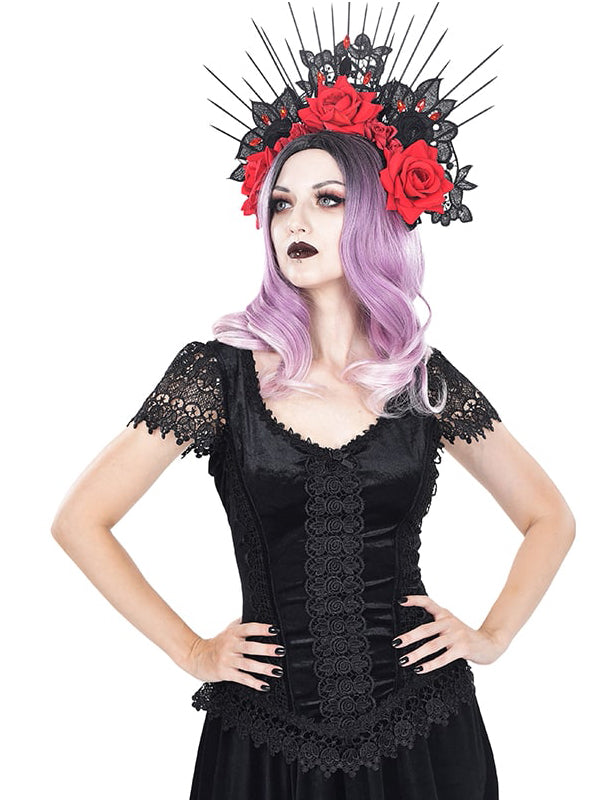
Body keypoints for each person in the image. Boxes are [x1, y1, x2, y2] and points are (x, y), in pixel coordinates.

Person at [51, 11, 576, 800]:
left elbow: (549, 517)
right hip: (266, 737)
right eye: (283, 203)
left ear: (373, 218)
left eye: (327, 200)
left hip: (424, 731)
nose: (295, 222)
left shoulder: (420, 380)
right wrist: (193, 652)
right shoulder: (217, 376)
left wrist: (492, 635)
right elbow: (80, 520)